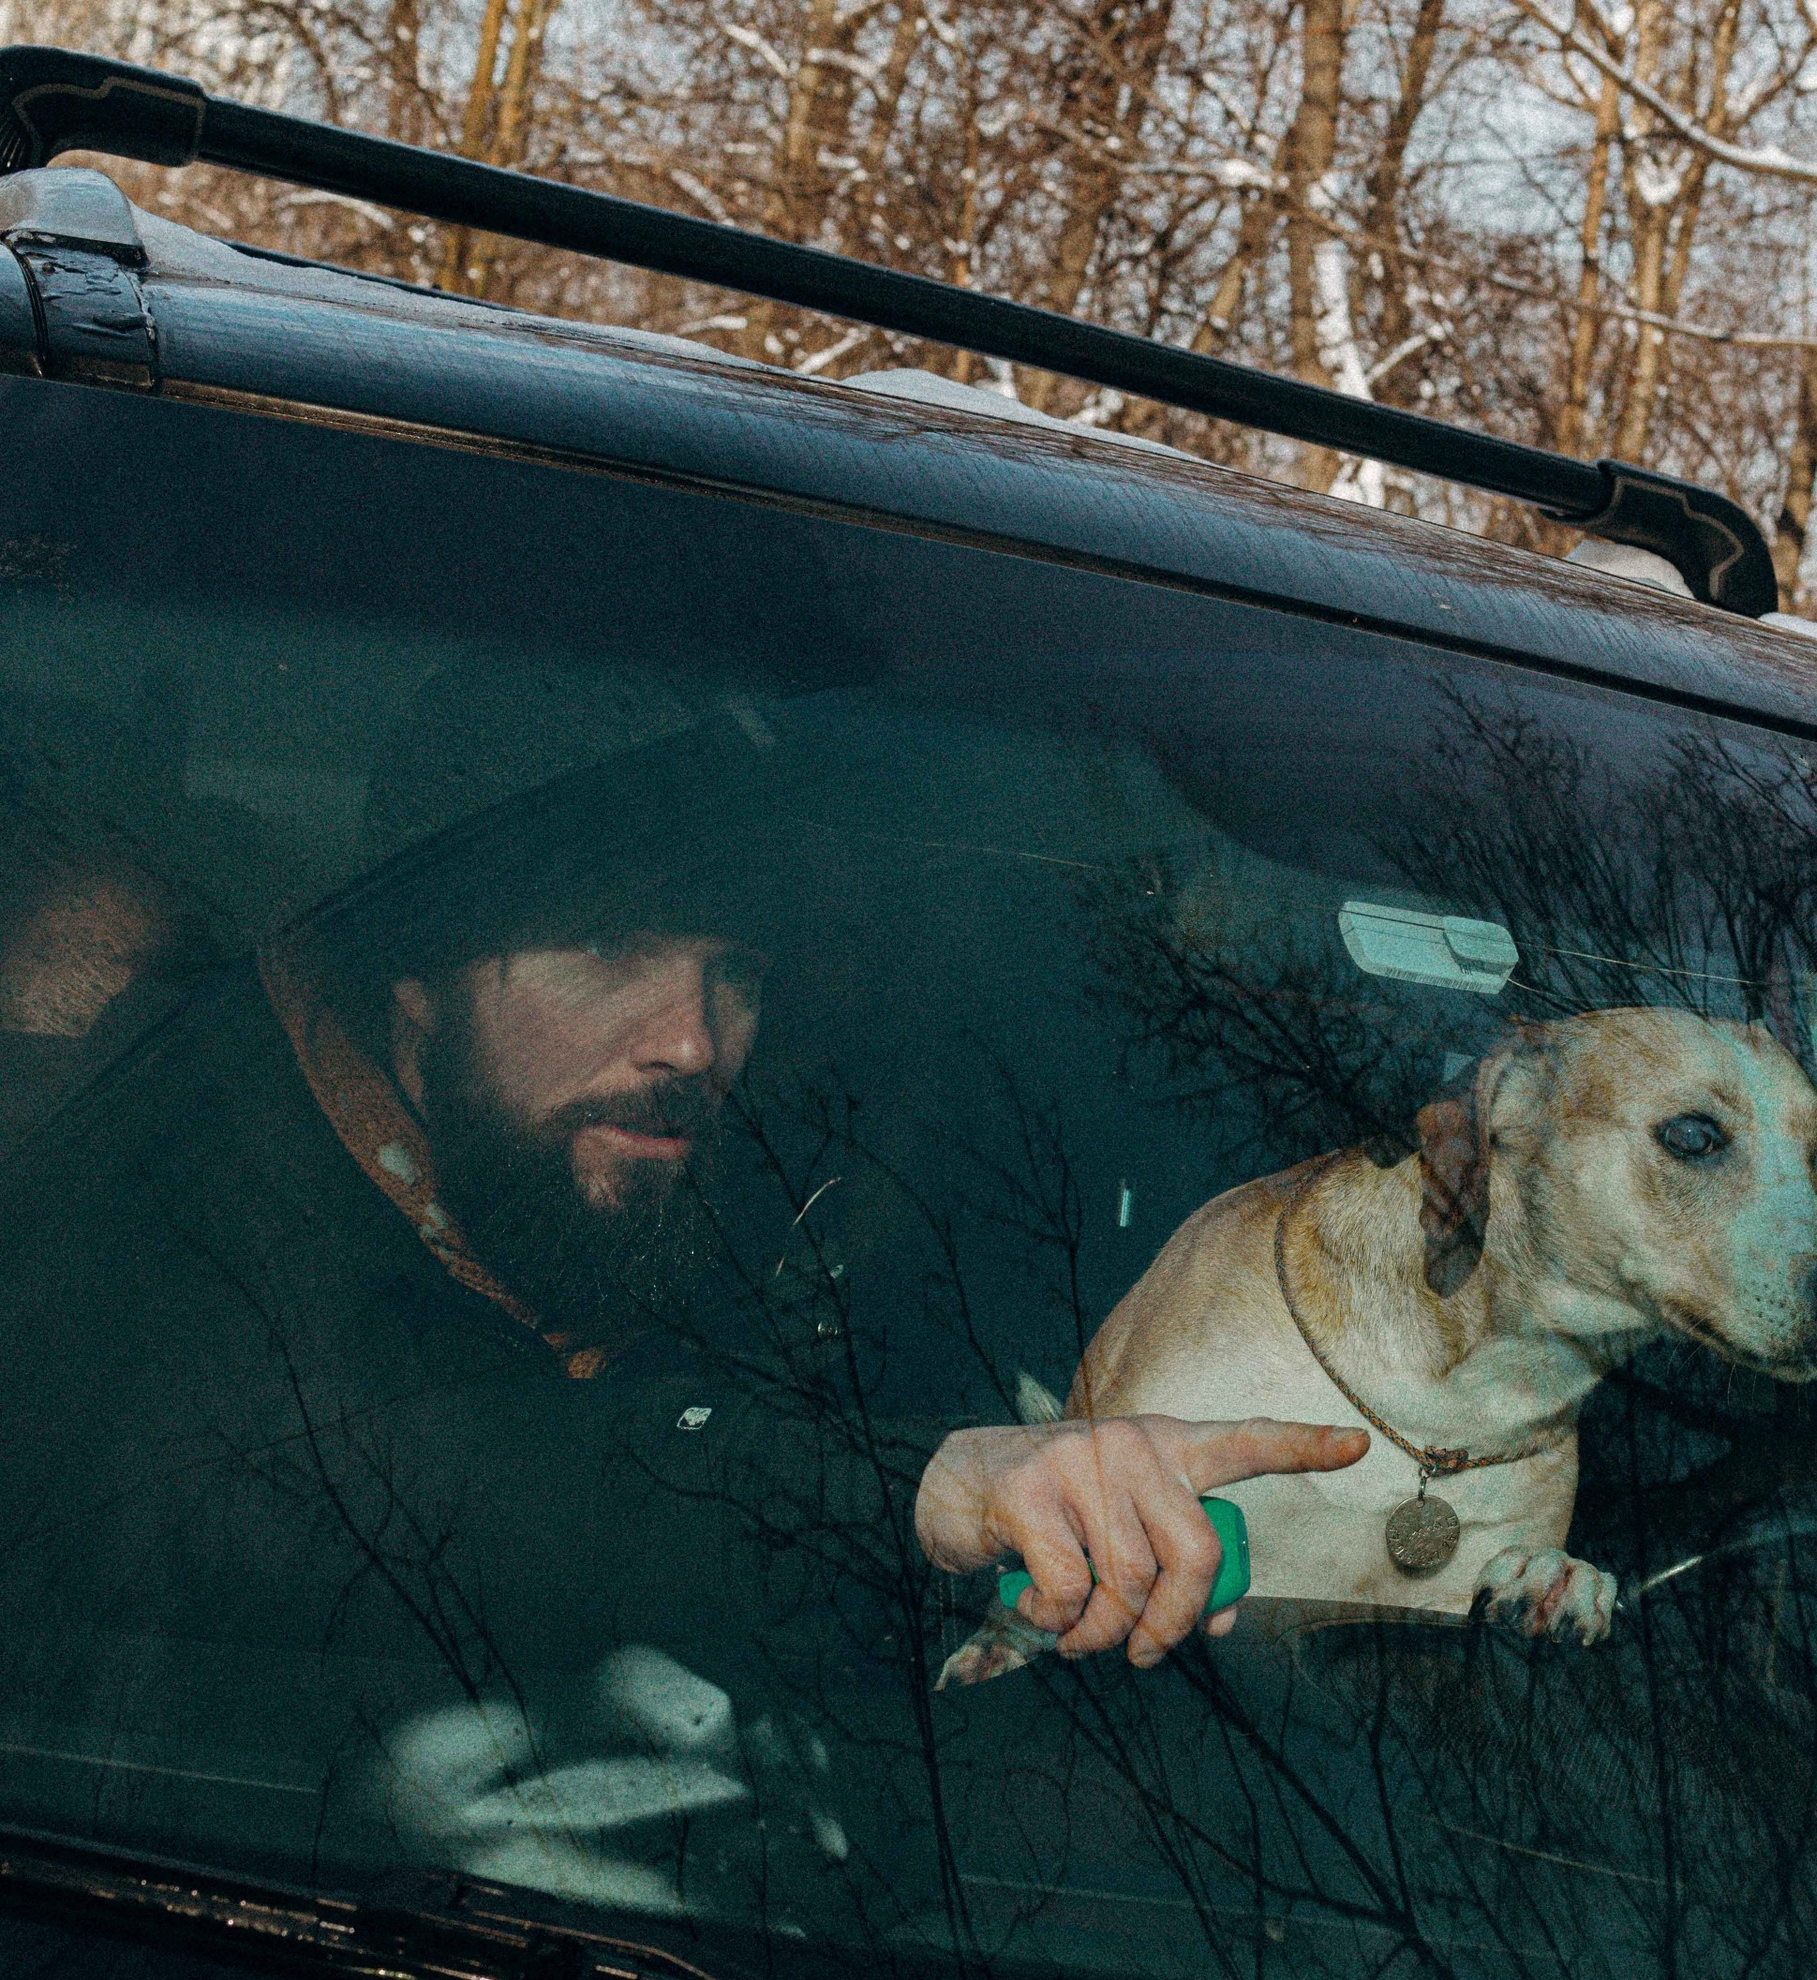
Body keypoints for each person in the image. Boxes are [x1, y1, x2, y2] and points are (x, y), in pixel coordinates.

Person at [0, 717, 1354, 1896]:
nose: (693, 1041)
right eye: (605, 944)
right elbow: (374, 1483)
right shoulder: (154, 1224)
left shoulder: (715, 1246)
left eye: (735, 973)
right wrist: (907, 1492)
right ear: (416, 988)